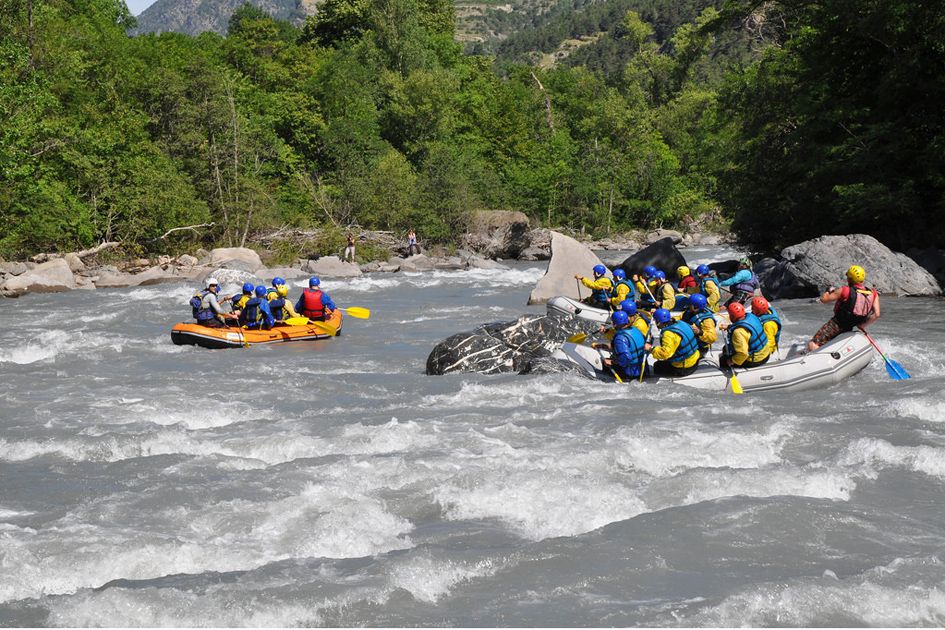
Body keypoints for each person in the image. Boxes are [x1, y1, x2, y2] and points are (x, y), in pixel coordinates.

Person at [807, 265, 880, 352]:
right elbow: (876, 314)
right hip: (850, 327)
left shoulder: (845, 290)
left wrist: (828, 292)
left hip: (837, 324)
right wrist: (862, 325)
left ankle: (815, 359)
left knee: (813, 344)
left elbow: (823, 300)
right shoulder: (873, 294)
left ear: (850, 279)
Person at [645, 308, 701, 377]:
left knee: (657, 366)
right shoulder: (681, 322)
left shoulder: (668, 334)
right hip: (695, 360)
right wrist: (657, 313)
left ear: (659, 322)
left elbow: (665, 354)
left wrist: (651, 349)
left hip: (684, 368)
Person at [719, 302, 771, 369]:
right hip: (766, 352)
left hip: (756, 359)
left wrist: (732, 361)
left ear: (732, 316)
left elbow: (743, 354)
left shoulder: (738, 332)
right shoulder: (752, 316)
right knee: (725, 349)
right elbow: (744, 325)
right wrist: (729, 327)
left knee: (723, 360)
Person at [601, 310, 648, 381]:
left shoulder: (620, 338)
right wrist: (602, 346)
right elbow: (630, 347)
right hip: (643, 370)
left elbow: (626, 358)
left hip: (630, 373)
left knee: (604, 361)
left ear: (615, 323)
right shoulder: (635, 329)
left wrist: (612, 362)